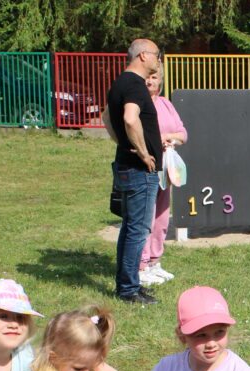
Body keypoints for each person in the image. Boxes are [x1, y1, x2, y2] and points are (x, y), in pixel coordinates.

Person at [107, 38, 164, 304]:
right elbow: (130, 118)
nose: (158, 60)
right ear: (142, 56)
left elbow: (108, 116)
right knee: (138, 229)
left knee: (130, 227)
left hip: (127, 165)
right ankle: (129, 289)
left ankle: (128, 284)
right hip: (139, 169)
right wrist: (142, 152)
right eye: (156, 55)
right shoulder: (133, 85)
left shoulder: (121, 82)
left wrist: (121, 142)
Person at [138, 63, 187, 287]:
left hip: (166, 168)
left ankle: (155, 261)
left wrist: (169, 136)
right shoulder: (138, 104)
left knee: (162, 217)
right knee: (145, 217)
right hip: (145, 167)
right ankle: (141, 265)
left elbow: (183, 133)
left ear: (161, 81)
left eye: (155, 77)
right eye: (148, 76)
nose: (151, 81)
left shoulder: (166, 104)